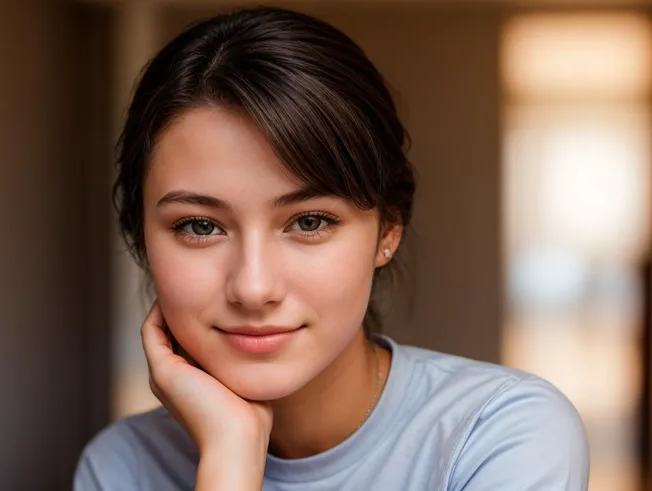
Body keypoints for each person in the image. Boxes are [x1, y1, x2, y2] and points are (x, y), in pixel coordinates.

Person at [74, 7, 589, 491]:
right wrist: (229, 457)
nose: (254, 288)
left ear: (389, 229)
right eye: (201, 227)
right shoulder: (123, 466)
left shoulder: (499, 435)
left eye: (309, 221)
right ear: (141, 238)